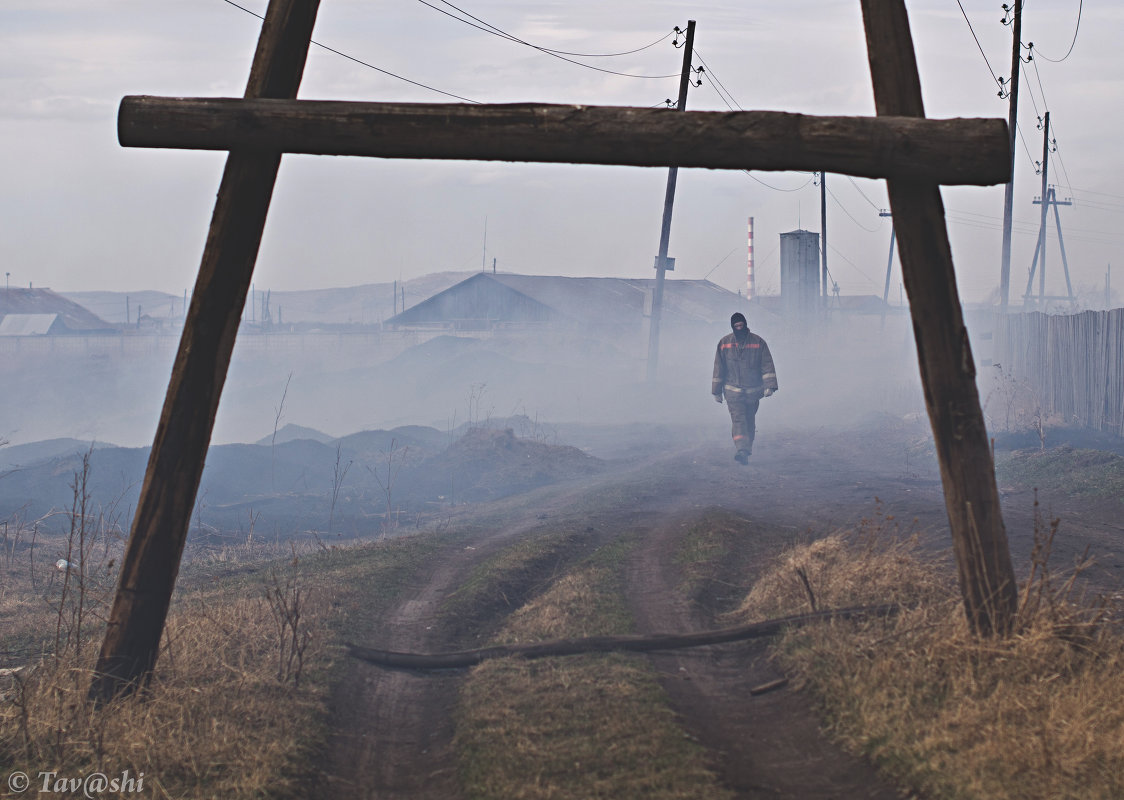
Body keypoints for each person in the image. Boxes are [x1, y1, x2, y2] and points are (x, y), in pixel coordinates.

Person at [712, 312, 778, 464]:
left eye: (741, 325)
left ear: (746, 324)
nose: (739, 328)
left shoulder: (758, 342)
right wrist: (716, 391)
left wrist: (770, 386)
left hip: (753, 393)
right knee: (738, 420)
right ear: (732, 327)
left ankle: (747, 449)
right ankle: (741, 449)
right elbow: (718, 368)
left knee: (749, 421)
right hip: (733, 392)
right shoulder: (724, 343)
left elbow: (767, 364)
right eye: (736, 326)